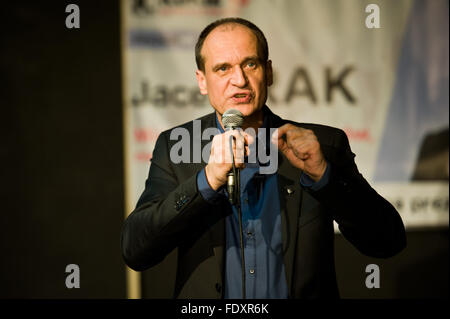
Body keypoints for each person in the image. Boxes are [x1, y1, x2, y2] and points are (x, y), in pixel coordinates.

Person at [120, 17, 406, 299]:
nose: (240, 80)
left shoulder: (323, 146)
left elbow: (388, 241)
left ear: (268, 72)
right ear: (202, 81)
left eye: (250, 64)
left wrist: (324, 176)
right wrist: (205, 182)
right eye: (222, 68)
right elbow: (136, 250)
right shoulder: (176, 148)